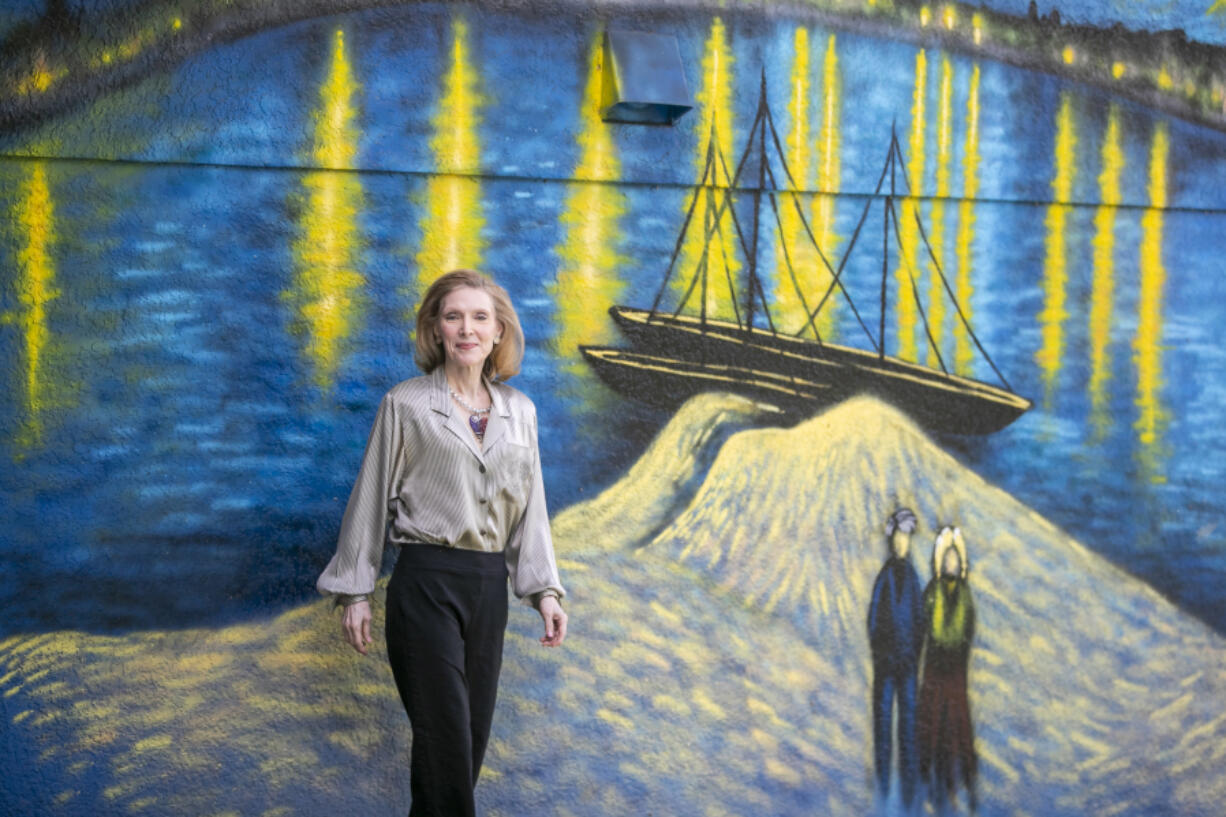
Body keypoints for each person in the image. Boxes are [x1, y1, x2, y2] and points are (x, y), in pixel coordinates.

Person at [316, 269, 568, 817]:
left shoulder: (520, 412)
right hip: (424, 587)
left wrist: (544, 590)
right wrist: (355, 591)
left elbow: (531, 510)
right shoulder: (404, 405)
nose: (467, 328)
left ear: (499, 332)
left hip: (489, 592)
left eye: (480, 317)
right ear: (436, 329)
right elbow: (370, 497)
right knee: (447, 749)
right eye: (453, 316)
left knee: (461, 756)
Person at [867, 507, 925, 806]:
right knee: (883, 723)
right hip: (887, 667)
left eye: (907, 539)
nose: (902, 544)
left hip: (907, 668)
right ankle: (882, 783)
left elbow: (919, 620)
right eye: (899, 538)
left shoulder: (913, 577)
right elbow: (874, 620)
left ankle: (908, 788)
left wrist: (913, 655)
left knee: (909, 726)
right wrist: (882, 655)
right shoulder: (885, 576)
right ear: (891, 541)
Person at [917, 526, 977, 812]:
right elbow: (923, 628)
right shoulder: (932, 592)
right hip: (933, 672)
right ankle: (926, 781)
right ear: (939, 561)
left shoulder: (965, 597)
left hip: (955, 674)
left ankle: (957, 784)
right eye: (946, 557)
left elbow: (967, 634)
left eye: (954, 558)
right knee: (932, 726)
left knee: (956, 729)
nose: (950, 562)